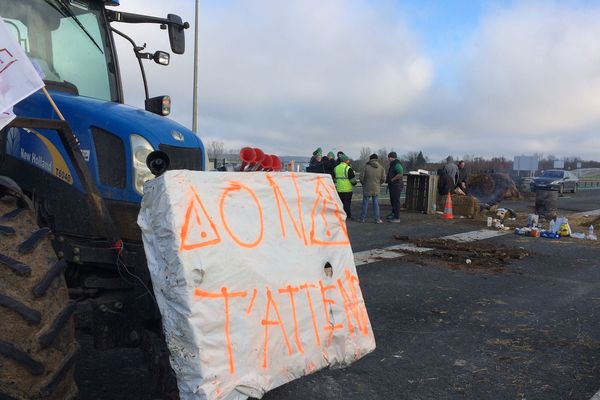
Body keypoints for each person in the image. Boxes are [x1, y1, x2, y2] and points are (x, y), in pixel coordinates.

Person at [359, 154, 386, 223]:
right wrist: (378, 184)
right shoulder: (381, 168)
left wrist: (364, 184)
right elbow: (383, 179)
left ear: (370, 159)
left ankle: (362, 218)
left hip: (367, 187)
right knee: (376, 204)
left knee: (365, 203)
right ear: (377, 159)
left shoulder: (366, 167)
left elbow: (361, 177)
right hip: (376, 187)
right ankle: (377, 219)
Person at [334, 154, 357, 220]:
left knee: (340, 204)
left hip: (339, 189)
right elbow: (353, 181)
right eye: (348, 160)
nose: (349, 161)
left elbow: (334, 179)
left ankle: (340, 215)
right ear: (345, 161)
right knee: (347, 204)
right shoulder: (348, 168)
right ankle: (347, 216)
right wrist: (354, 184)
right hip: (347, 190)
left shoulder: (336, 168)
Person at [386, 152, 404, 223]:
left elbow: (400, 174)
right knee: (393, 200)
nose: (388, 159)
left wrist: (392, 179)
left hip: (396, 185)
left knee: (396, 201)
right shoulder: (393, 164)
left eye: (389, 157)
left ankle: (397, 217)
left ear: (391, 157)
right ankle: (394, 214)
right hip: (393, 185)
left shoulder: (397, 164)